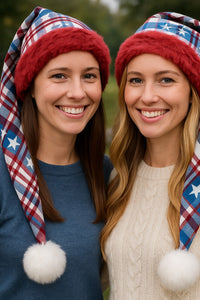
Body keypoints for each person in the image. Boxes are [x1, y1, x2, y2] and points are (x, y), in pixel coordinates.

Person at [0, 6, 112, 299]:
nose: (77, 92)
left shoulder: (108, 174)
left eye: (89, 76)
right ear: (30, 87)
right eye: (59, 76)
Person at [101, 12, 200, 299]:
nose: (147, 96)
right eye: (135, 81)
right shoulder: (118, 179)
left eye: (165, 80)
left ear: (192, 91)